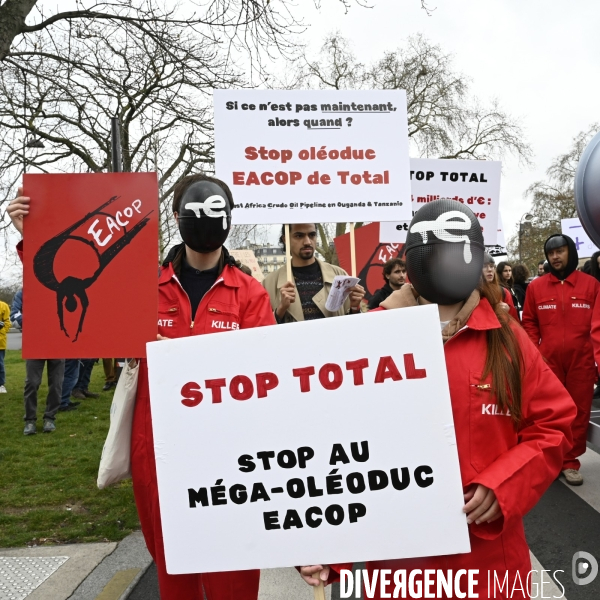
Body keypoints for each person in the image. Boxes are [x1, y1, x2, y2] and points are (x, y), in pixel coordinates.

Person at [8, 174, 274, 598]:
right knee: (174, 576)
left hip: (229, 458)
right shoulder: (141, 289)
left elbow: (267, 379)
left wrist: (185, 358)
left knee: (234, 578)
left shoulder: (250, 295)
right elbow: (68, 302)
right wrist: (33, 236)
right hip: (159, 455)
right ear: (176, 216)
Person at [300, 201, 575, 599]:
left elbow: (554, 425)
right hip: (398, 568)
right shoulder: (366, 338)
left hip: (487, 564)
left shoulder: (506, 338)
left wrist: (504, 485)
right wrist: (329, 550)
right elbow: (332, 449)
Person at [522, 234, 600, 486]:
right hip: (548, 363)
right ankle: (550, 457)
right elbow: (530, 323)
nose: (555, 257)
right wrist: (536, 353)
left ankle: (569, 462)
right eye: (551, 253)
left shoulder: (591, 285)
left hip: (582, 362)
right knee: (549, 413)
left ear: (571, 253)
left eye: (560, 251)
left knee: (578, 412)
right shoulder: (536, 287)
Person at [263, 223, 365, 323]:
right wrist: (280, 309)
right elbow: (261, 331)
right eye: (299, 236)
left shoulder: (339, 275)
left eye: (312, 235)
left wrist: (355, 307)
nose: (307, 242)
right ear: (286, 240)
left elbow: (353, 327)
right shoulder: (269, 284)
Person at [481, 253, 518, 320]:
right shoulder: (468, 292)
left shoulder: (504, 291)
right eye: (484, 266)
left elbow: (514, 321)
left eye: (492, 266)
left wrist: (508, 310)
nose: (489, 270)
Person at [0, 299, 11, 393]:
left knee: (0, 364)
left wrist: (2, 330)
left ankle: (1, 384)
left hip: (0, 341)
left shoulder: (3, 305)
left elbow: (7, 322)